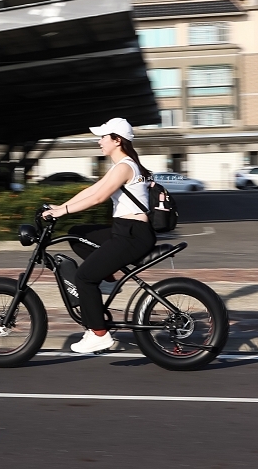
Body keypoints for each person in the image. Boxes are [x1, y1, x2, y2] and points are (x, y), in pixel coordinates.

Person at [41, 117, 156, 353]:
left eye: (103, 137)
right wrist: (57, 209)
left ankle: (99, 334)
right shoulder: (124, 165)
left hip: (132, 235)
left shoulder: (125, 167)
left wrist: (61, 212)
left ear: (117, 140)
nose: (99, 141)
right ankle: (109, 280)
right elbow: (91, 190)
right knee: (76, 234)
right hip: (125, 230)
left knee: (84, 277)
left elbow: (97, 199)